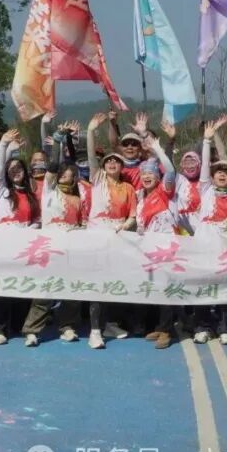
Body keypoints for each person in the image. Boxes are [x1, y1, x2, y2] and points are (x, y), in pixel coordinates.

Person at [20, 121, 86, 347]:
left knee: (71, 292)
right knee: (44, 292)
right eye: (62, 174)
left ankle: (67, 326)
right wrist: (57, 141)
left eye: (69, 174)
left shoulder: (78, 199)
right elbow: (54, 164)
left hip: (71, 250)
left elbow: (82, 224)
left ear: (74, 178)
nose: (64, 176)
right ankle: (31, 330)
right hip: (49, 249)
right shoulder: (49, 190)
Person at [84, 112, 138, 349]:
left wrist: (125, 225)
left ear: (121, 165)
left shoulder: (128, 187)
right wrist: (91, 131)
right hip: (97, 236)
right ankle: (95, 331)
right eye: (108, 161)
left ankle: (110, 324)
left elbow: (133, 215)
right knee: (97, 283)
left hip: (119, 237)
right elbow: (90, 156)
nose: (112, 164)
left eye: (116, 161)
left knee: (114, 282)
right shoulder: (97, 179)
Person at [194, 116, 227, 345]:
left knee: (226, 288)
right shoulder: (205, 189)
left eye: (226, 172)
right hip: (204, 247)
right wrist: (207, 141)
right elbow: (206, 168)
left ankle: (225, 327)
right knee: (203, 287)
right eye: (218, 172)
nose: (221, 174)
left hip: (226, 249)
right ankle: (203, 326)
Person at [0, 129, 41, 345]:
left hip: (22, 247)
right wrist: (3, 145)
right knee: (0, 286)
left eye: (19, 168)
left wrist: (30, 230)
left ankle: (21, 326)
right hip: (1, 247)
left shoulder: (30, 195)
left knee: (22, 285)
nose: (15, 171)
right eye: (12, 169)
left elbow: (37, 220)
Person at [134, 132, 179, 350]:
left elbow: (170, 170)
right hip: (149, 249)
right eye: (143, 175)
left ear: (157, 176)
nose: (147, 177)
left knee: (166, 287)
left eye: (151, 174)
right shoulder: (140, 196)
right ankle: (160, 326)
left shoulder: (164, 191)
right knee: (155, 288)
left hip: (166, 247)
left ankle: (168, 331)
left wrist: (158, 149)